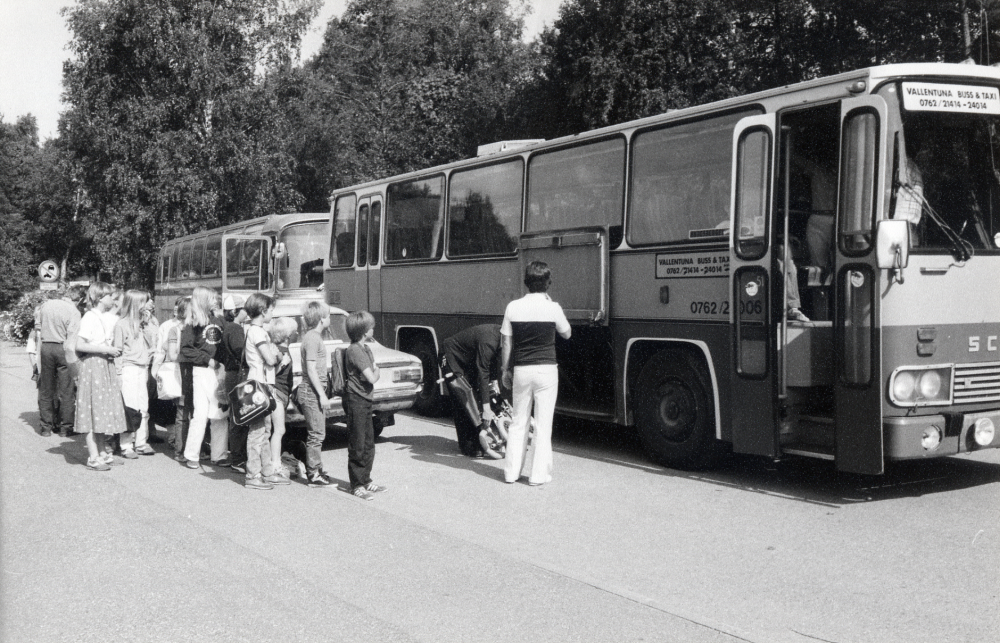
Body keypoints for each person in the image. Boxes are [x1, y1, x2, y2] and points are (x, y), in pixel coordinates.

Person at [500, 261, 571, 486]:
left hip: (522, 369)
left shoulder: (513, 307)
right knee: (543, 424)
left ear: (526, 283)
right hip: (547, 370)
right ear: (548, 283)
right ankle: (538, 476)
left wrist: (505, 369)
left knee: (518, 421)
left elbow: (506, 341)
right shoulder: (553, 308)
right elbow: (567, 333)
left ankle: (511, 473)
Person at [71, 282, 127, 470]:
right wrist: (106, 349)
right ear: (100, 298)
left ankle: (103, 452)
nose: (113, 299)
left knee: (101, 409)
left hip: (104, 364)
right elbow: (79, 345)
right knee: (92, 409)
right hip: (94, 365)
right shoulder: (89, 317)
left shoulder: (102, 316)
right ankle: (93, 456)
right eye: (110, 296)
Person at [241, 293, 287, 490]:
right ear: (262, 311)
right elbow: (269, 359)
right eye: (270, 310)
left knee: (265, 430)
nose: (272, 313)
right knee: (258, 431)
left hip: (263, 385)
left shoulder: (258, 330)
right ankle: (253, 475)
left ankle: (266, 471)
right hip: (258, 385)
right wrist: (278, 355)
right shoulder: (257, 332)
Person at [178, 287, 228, 469]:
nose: (216, 301)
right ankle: (191, 455)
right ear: (204, 300)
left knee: (220, 414)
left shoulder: (219, 320)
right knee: (200, 414)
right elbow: (186, 349)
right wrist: (207, 360)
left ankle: (219, 454)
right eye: (212, 298)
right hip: (201, 372)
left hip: (219, 371)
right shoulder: (192, 324)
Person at [440, 324, 502, 457]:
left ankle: (477, 440)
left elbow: (494, 359)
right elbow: (483, 371)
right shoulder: (489, 340)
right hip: (450, 355)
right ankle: (467, 445)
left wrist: (495, 381)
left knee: (476, 395)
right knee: (464, 397)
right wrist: (486, 409)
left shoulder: (502, 336)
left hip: (467, 359)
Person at [344, 310, 386, 500]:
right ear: (363, 330)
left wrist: (374, 373)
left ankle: (366, 479)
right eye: (371, 326)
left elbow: (371, 375)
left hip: (366, 399)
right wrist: (376, 372)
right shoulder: (355, 350)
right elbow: (372, 376)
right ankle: (357, 484)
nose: (373, 328)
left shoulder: (366, 349)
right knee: (358, 444)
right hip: (356, 400)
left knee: (369, 442)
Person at [113, 290, 158, 458]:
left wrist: (146, 324)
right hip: (128, 368)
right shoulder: (122, 324)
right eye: (146, 301)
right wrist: (118, 374)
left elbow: (153, 343)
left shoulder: (147, 322)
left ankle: (141, 441)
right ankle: (126, 444)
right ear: (137, 304)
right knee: (130, 407)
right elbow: (117, 352)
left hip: (143, 367)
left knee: (143, 406)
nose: (150, 304)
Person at [37, 286, 86, 437]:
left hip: (46, 347)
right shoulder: (74, 311)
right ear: (79, 299)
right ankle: (66, 427)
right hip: (63, 348)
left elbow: (38, 327)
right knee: (67, 389)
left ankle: (46, 426)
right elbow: (72, 338)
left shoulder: (46, 305)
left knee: (46, 388)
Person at [297, 302, 336, 486]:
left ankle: (317, 468)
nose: (330, 319)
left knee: (318, 432)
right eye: (328, 316)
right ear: (322, 319)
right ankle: (313, 473)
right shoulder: (313, 339)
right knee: (316, 434)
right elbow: (311, 369)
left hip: (311, 391)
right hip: (311, 392)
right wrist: (322, 394)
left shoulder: (312, 337)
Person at [152, 297, 187, 457]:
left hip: (181, 368)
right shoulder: (168, 327)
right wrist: (156, 368)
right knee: (174, 405)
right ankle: (176, 440)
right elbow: (162, 347)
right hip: (172, 368)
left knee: (181, 407)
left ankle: (178, 440)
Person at [218, 294, 248, 472]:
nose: (246, 312)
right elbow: (240, 353)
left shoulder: (229, 327)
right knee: (238, 418)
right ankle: (238, 458)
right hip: (236, 375)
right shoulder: (235, 329)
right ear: (236, 311)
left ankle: (237, 455)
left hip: (230, 374)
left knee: (236, 417)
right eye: (244, 309)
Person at [267, 315, 297, 481]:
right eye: (294, 331)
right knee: (279, 430)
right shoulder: (278, 351)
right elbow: (271, 374)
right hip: (277, 393)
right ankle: (275, 464)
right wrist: (282, 364)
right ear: (287, 335)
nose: (297, 333)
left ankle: (274, 461)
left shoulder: (280, 349)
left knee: (276, 430)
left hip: (282, 394)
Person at [27, 307, 40, 383]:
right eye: (36, 319)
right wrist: (34, 368)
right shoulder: (34, 333)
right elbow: (31, 352)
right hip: (38, 365)